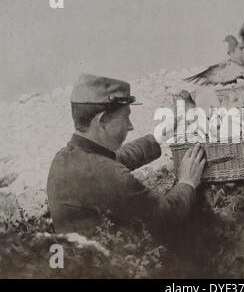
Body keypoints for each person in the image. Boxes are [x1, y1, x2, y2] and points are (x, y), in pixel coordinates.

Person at [47, 73, 206, 238]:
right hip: (106, 261)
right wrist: (187, 182)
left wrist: (159, 136)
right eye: (125, 118)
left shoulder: (64, 158)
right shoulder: (105, 174)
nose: (130, 126)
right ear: (102, 121)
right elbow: (166, 215)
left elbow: (117, 158)